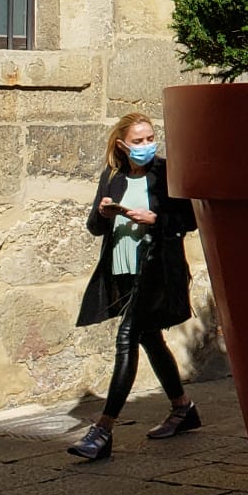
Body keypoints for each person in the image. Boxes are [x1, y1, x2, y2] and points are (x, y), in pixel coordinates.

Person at [69, 113, 202, 461]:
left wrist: (155, 219)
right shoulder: (112, 177)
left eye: (150, 138)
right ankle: (183, 408)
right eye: (138, 141)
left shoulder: (165, 173)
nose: (146, 146)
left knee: (127, 335)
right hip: (122, 268)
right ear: (122, 144)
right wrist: (105, 213)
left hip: (157, 268)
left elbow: (189, 221)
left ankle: (103, 430)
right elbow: (96, 228)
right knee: (149, 337)